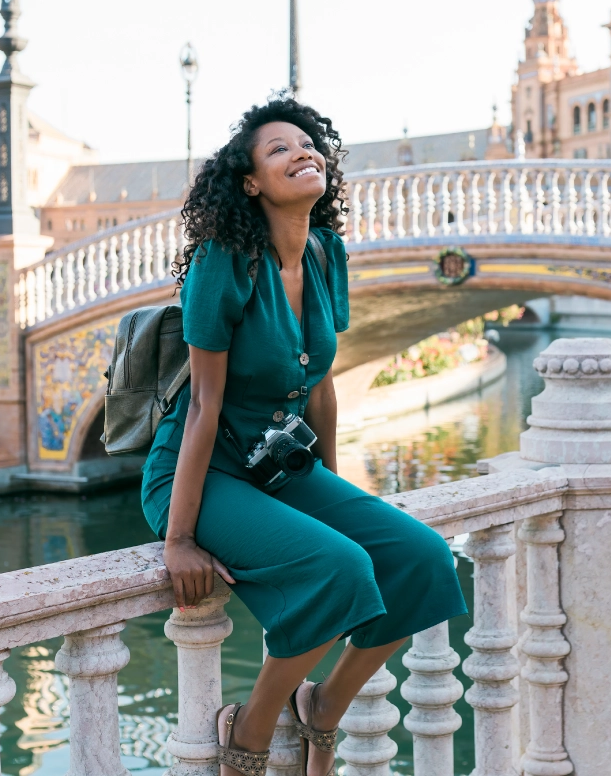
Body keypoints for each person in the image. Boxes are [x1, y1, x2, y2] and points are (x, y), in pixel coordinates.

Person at [141, 96, 467, 776]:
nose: (302, 152)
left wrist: (335, 488)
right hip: (201, 472)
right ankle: (249, 735)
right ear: (251, 183)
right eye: (279, 149)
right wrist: (178, 538)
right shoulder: (222, 261)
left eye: (308, 143)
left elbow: (319, 384)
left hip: (281, 466)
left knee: (424, 560)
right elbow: (202, 406)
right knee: (340, 567)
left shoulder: (325, 254)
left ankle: (323, 707)